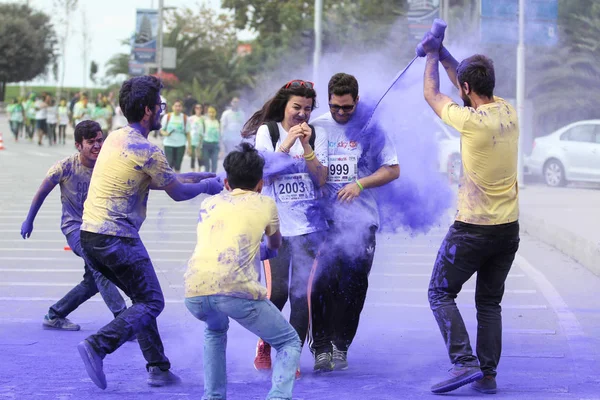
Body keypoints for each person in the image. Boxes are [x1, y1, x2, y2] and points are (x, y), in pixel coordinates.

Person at [76, 75, 224, 390]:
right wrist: (207, 187)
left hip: (90, 236)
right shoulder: (147, 149)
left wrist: (194, 176)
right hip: (118, 238)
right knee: (152, 302)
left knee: (141, 300)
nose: (162, 110)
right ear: (147, 110)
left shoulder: (117, 138)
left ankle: (158, 367)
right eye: (159, 105)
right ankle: (98, 345)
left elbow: (160, 179)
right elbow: (176, 193)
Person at [419, 32, 520, 395]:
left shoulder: (472, 123)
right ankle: (488, 375)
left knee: (439, 293)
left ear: (465, 87)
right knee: (489, 302)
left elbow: (433, 95)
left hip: (472, 229)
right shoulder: (508, 110)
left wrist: (431, 55)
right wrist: (444, 51)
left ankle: (464, 362)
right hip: (508, 229)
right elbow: (462, 82)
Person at [184, 143, 301, 400]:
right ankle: (278, 397)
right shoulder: (265, 203)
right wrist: (266, 252)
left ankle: (213, 397)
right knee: (288, 342)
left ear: (226, 182)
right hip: (235, 290)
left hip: (195, 292)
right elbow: (274, 245)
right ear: (261, 184)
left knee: (214, 331)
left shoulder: (209, 204)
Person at [309, 73, 400, 372]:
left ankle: (340, 345)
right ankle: (320, 347)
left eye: (347, 108)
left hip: (362, 222)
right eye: (336, 107)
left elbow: (393, 169)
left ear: (356, 101)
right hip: (324, 222)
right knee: (322, 284)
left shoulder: (371, 128)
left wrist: (360, 184)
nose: (340, 113)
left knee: (353, 285)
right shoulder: (317, 126)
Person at [242, 80, 329, 378]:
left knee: (301, 296)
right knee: (276, 292)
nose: (302, 115)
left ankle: (290, 357)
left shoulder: (317, 135)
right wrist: (289, 142)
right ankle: (265, 343)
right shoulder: (269, 132)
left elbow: (321, 179)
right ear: (285, 106)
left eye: (307, 109)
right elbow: (264, 172)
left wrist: (306, 146)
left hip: (309, 227)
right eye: (297, 108)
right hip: (275, 228)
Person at [20, 120, 127, 331]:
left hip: (99, 228)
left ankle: (55, 314)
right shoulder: (65, 167)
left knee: (93, 282)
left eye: (99, 140)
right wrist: (29, 220)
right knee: (99, 266)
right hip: (75, 228)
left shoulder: (106, 165)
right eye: (91, 142)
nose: (97, 145)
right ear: (78, 145)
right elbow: (42, 192)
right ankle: (124, 320)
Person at [160, 100, 191, 173]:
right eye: (176, 106)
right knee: (169, 164)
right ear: (173, 107)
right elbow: (161, 130)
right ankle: (170, 181)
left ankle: (177, 180)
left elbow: (188, 133)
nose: (178, 108)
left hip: (181, 144)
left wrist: (189, 147)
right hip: (169, 144)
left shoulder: (185, 118)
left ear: (182, 108)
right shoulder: (167, 117)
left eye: (179, 106)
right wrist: (166, 133)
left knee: (178, 165)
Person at [202, 106, 221, 173]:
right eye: (210, 112)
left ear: (215, 113)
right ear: (208, 113)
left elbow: (220, 135)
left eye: (213, 112)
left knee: (214, 164)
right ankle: (206, 180)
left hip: (215, 144)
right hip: (206, 144)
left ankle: (213, 179)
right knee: (206, 165)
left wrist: (221, 147)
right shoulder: (205, 122)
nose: (211, 114)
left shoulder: (218, 122)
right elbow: (201, 134)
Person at [188, 104, 205, 172]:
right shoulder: (190, 118)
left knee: (200, 156)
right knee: (193, 157)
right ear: (194, 109)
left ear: (202, 109)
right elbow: (188, 130)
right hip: (192, 139)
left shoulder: (204, 118)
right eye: (196, 108)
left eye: (200, 108)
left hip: (201, 140)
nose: (198, 109)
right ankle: (193, 171)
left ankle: (199, 171)